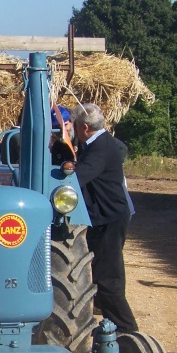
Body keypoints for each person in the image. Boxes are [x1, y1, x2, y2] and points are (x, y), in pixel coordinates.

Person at [71, 103, 138, 333]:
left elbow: (83, 175)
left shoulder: (100, 147)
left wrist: (60, 182)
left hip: (109, 219)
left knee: (108, 280)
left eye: (75, 126)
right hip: (105, 217)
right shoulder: (97, 143)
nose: (74, 130)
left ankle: (128, 331)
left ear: (85, 127)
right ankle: (112, 323)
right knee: (102, 274)